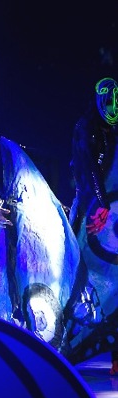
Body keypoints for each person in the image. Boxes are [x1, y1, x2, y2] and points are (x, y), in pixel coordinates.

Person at [0, 127, 102, 364]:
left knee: (22, 279)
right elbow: (50, 161)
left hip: (23, 218)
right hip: (46, 213)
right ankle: (70, 319)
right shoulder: (10, 146)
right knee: (51, 273)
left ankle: (31, 346)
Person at [69, 77, 118, 373]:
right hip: (90, 202)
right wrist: (100, 203)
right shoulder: (86, 126)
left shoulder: (110, 130)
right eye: (109, 103)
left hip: (105, 204)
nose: (113, 109)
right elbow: (87, 167)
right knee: (76, 260)